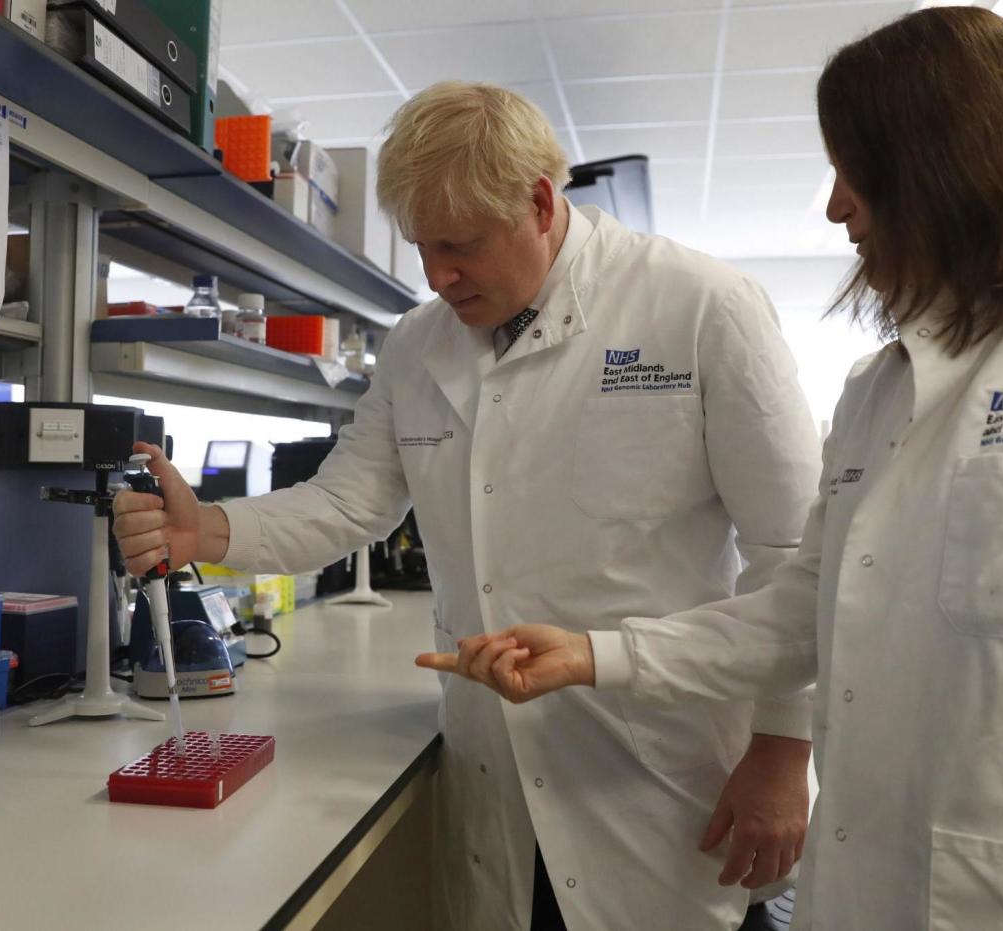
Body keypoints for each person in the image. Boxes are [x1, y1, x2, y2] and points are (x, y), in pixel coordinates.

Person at [114, 81, 823, 930]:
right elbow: (348, 503)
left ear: (539, 201)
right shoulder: (419, 343)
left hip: (660, 773)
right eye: (422, 247)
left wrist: (784, 752)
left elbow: (793, 554)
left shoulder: (703, 306)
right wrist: (212, 529)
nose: (439, 275)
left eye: (461, 245)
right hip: (494, 770)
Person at [418, 8, 1003, 929]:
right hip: (875, 881)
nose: (837, 206)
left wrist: (773, 753)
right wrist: (599, 654)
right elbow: (806, 606)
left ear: (946, 169)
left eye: (854, 172)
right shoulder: (882, 391)